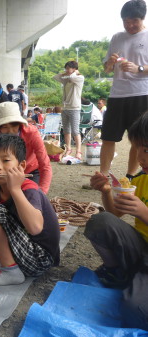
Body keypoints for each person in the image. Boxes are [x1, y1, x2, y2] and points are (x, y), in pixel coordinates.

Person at [0, 133, 59, 286]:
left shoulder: (29, 190)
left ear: (21, 167)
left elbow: (35, 228)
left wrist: (15, 189)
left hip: (39, 258)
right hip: (20, 249)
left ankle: (10, 270)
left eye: (6, 160)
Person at [85, 111, 148, 331]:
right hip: (140, 249)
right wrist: (105, 191)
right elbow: (114, 215)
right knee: (100, 221)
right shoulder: (140, 180)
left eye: (147, 149)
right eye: (137, 148)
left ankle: (137, 282)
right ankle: (118, 272)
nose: (141, 157)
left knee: (135, 311)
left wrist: (144, 214)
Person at [101, 2, 148, 178]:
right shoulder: (117, 37)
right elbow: (106, 69)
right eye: (125, 21)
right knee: (108, 137)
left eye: (133, 21)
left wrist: (139, 69)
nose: (129, 25)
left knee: (139, 140)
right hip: (118, 94)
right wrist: (110, 63)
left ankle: (130, 174)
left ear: (142, 18)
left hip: (142, 93)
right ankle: (103, 174)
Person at [0, 102, 52, 194]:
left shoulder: (32, 133)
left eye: (14, 125)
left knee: (31, 196)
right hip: (5, 172)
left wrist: (42, 192)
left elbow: (45, 164)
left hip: (31, 171)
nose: (10, 131)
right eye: (4, 127)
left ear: (20, 123)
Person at [53, 60, 85, 160]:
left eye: (68, 68)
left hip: (74, 108)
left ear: (75, 69)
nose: (66, 70)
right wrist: (65, 73)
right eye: (65, 68)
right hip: (65, 107)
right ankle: (68, 149)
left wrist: (74, 72)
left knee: (75, 131)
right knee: (66, 130)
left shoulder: (79, 77)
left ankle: (78, 151)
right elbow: (56, 77)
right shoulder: (66, 79)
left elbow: (72, 77)